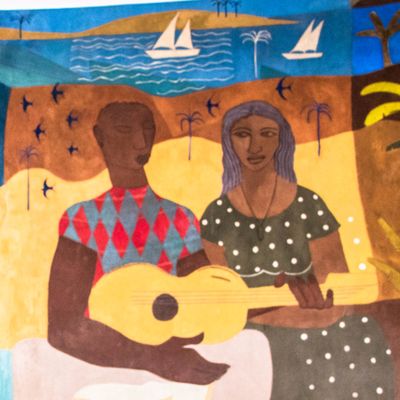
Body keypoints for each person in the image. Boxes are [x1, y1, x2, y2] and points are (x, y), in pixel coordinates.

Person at [34, 101, 272, 400]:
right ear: (100, 137)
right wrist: (155, 359)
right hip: (105, 364)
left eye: (148, 129)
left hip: (173, 360)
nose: (141, 142)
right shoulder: (82, 220)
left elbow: (207, 302)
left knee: (252, 347)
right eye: (125, 130)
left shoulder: (179, 218)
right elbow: (64, 329)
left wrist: (283, 294)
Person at [200, 100, 397, 399]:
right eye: (242, 134)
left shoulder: (309, 205)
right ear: (228, 142)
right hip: (245, 340)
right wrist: (281, 312)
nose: (255, 146)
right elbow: (220, 303)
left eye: (267, 134)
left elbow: (336, 297)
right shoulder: (216, 215)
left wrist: (306, 309)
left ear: (281, 141)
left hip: (316, 331)